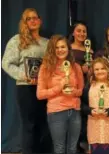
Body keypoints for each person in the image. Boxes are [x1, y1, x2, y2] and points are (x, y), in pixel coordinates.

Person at [2, 8, 50, 154]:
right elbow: (6, 63)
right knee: (29, 125)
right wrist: (24, 75)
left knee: (44, 124)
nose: (33, 21)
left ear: (40, 21)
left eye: (35, 18)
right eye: (29, 19)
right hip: (26, 88)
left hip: (44, 89)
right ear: (24, 22)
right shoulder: (17, 40)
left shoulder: (47, 43)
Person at [37, 35, 84, 154]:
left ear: (68, 48)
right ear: (52, 50)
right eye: (56, 47)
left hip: (74, 111)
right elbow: (40, 94)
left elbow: (80, 91)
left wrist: (73, 91)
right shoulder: (45, 68)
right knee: (59, 148)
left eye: (63, 47)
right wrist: (59, 87)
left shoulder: (76, 67)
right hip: (56, 112)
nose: (60, 50)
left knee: (73, 148)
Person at [81, 57, 109, 154]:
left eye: (103, 68)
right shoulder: (88, 86)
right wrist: (90, 111)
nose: (100, 71)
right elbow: (82, 105)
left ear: (108, 69)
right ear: (93, 71)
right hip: (94, 126)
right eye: (97, 69)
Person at [68, 21, 93, 152]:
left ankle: (88, 145)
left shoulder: (91, 50)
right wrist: (79, 69)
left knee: (87, 115)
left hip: (88, 86)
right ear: (73, 33)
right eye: (79, 31)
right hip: (75, 86)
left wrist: (91, 70)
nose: (82, 34)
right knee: (75, 117)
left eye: (84, 31)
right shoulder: (68, 49)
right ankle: (75, 146)